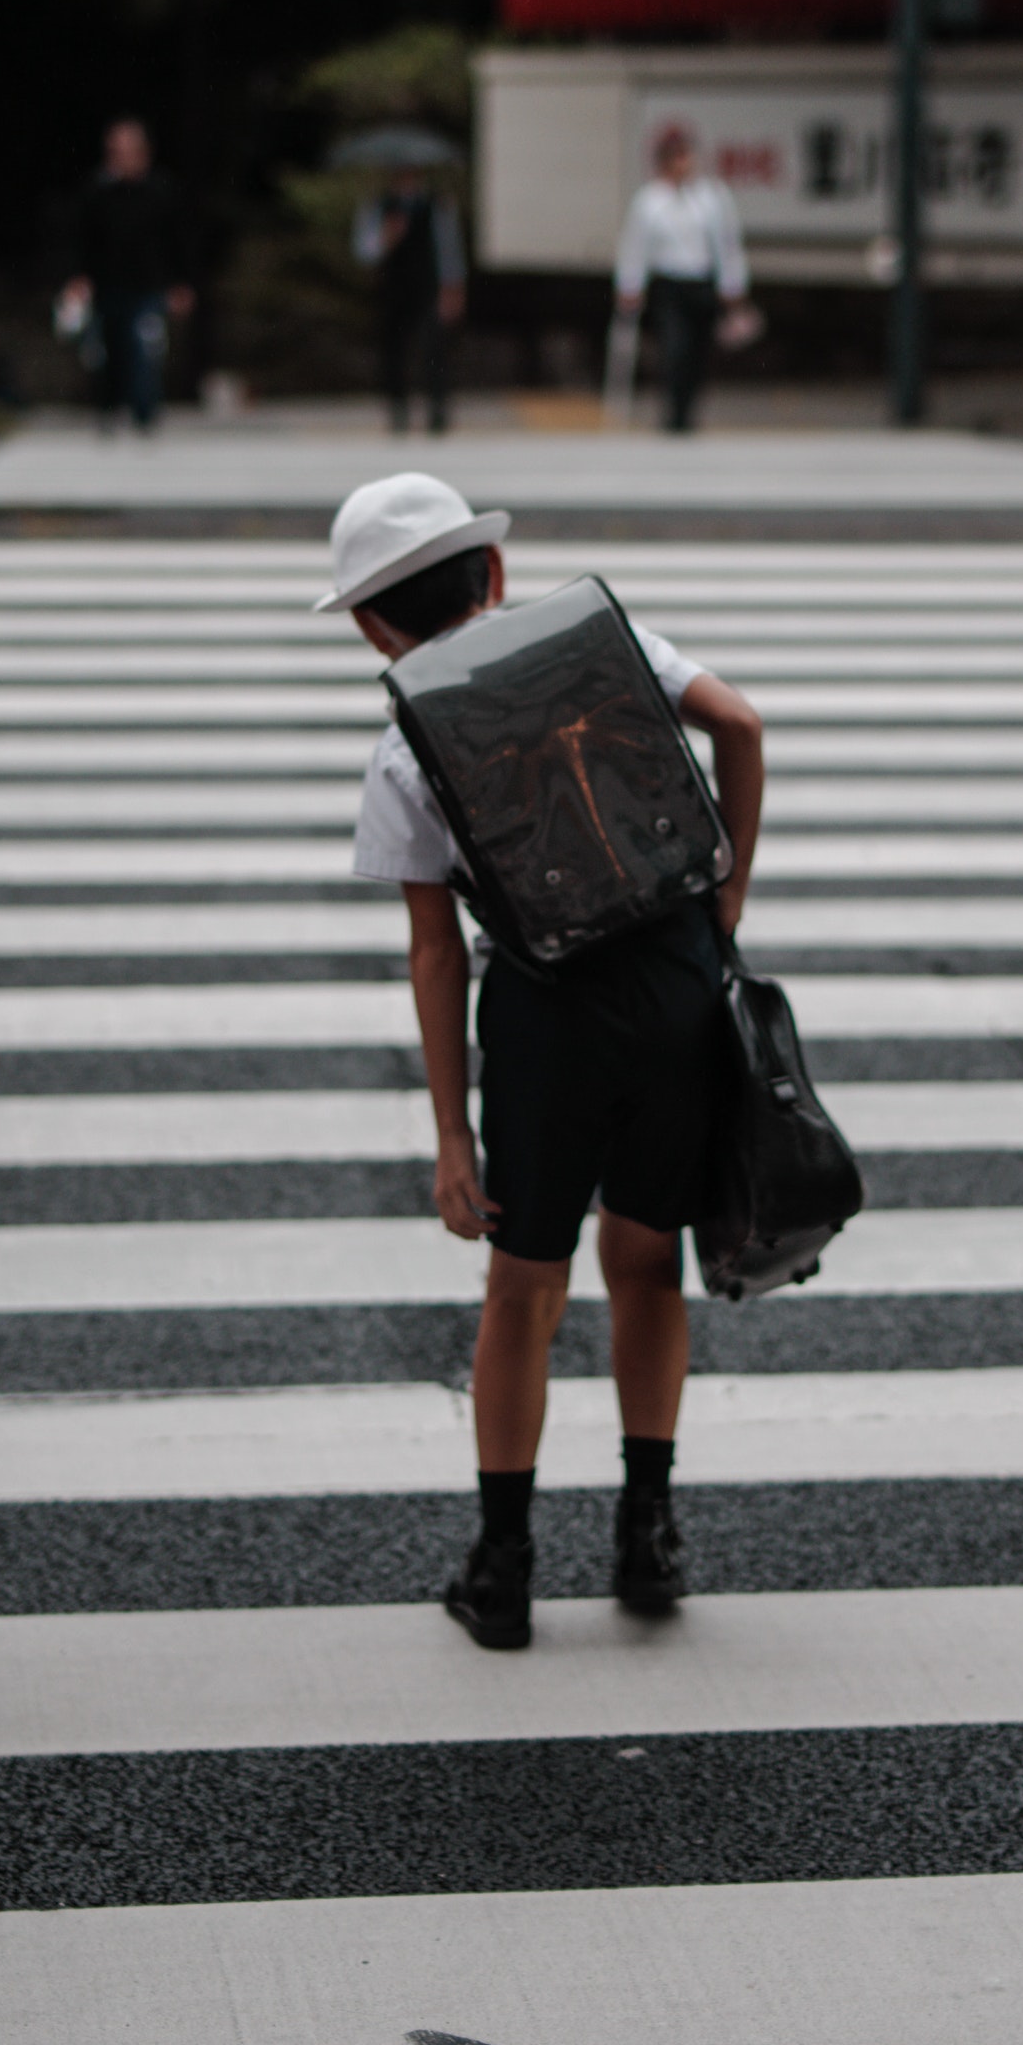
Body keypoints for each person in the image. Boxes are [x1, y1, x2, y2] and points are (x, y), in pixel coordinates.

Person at [322, 473, 768, 1651]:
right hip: (674, 989)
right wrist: (725, 894)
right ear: (497, 574)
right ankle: (648, 1529)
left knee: (524, 1286)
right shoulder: (610, 646)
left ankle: (504, 1565)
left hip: (544, 1017)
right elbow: (744, 725)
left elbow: (433, 951)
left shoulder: (408, 745)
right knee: (646, 1260)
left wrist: (453, 1135)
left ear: (373, 624)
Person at [58, 116, 195, 434]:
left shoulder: (161, 190)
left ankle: (145, 414)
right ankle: (107, 410)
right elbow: (81, 240)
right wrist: (77, 278)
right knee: (106, 352)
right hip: (106, 287)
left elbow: (178, 240)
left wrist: (181, 283)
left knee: (146, 350)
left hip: (150, 286)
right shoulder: (97, 190)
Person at [612, 125, 751, 434]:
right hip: (669, 284)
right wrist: (630, 284)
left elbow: (727, 244)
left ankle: (689, 410)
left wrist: (733, 286)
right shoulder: (649, 201)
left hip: (701, 283)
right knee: (675, 348)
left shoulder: (712, 197)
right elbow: (635, 246)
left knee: (699, 352)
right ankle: (673, 412)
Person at [353, 164, 468, 436]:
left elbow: (448, 249)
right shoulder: (378, 206)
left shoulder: (436, 205)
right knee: (393, 351)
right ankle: (398, 410)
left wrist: (453, 288)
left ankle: (437, 410)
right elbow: (364, 251)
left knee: (434, 349)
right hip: (392, 289)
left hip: (428, 287)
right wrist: (387, 236)